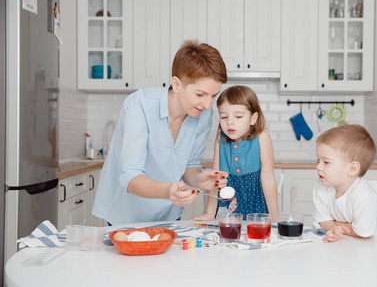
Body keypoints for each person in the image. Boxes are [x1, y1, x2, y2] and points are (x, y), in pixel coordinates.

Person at [92, 40, 229, 225]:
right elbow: (130, 178)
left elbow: (190, 166)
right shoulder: (140, 104)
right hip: (128, 214)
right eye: (200, 95)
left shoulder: (203, 115)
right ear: (177, 84)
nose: (208, 105)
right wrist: (169, 191)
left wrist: (199, 178)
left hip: (169, 213)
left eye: (214, 96)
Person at [193, 85, 278, 221]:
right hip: (228, 205)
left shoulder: (262, 138)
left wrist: (275, 217)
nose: (229, 122)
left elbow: (268, 179)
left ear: (253, 118)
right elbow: (215, 179)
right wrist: (210, 213)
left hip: (256, 205)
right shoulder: (220, 138)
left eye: (238, 116)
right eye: (224, 117)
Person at [312, 124, 377, 248]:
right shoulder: (321, 189)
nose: (318, 166)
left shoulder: (363, 195)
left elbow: (364, 233)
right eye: (318, 160)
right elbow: (322, 220)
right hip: (352, 244)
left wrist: (336, 224)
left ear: (352, 169)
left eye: (326, 162)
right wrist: (333, 229)